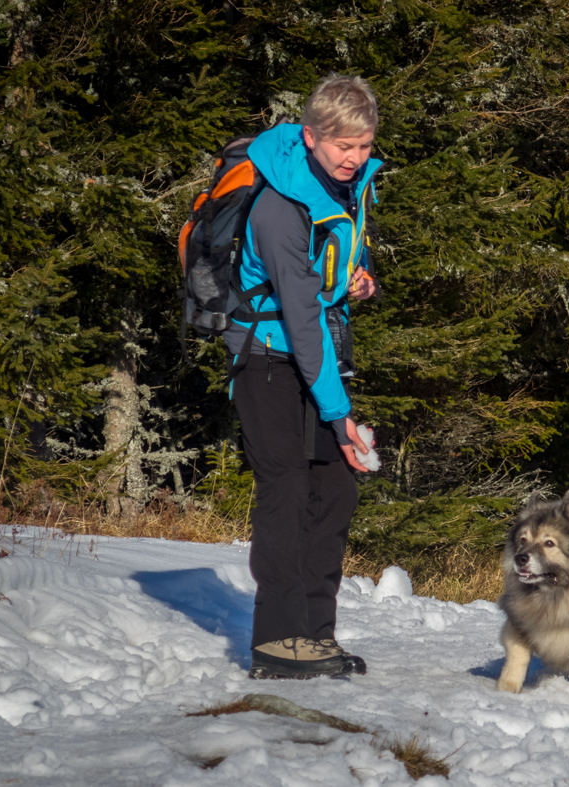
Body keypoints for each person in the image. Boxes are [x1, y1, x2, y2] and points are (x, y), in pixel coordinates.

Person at [225, 75, 382, 678]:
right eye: (344, 146)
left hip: (311, 353)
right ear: (312, 136)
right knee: (287, 493)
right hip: (266, 360)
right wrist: (339, 415)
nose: (355, 158)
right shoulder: (278, 208)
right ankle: (275, 644)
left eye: (364, 145)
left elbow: (337, 264)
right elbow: (300, 319)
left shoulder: (344, 186)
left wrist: (358, 278)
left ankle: (316, 636)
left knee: (336, 489)